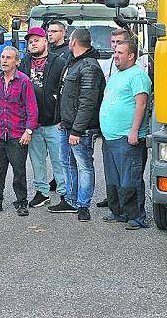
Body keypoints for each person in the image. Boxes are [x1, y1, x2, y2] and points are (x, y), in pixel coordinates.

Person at [47, 28, 105, 222]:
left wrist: (77, 130)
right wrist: (62, 121)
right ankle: (70, 200)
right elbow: (65, 95)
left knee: (84, 166)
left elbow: (87, 102)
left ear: (73, 42)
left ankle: (83, 205)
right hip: (67, 126)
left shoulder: (89, 66)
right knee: (67, 163)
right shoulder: (74, 63)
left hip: (80, 129)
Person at [99, 39, 152, 229]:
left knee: (130, 178)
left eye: (120, 52)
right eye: (115, 52)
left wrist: (135, 131)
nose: (116, 55)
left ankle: (136, 217)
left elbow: (142, 105)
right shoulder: (116, 75)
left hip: (126, 137)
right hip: (110, 137)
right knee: (113, 178)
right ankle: (118, 212)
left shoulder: (138, 75)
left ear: (131, 56)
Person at [0, 46, 38, 216]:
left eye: (8, 57)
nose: (4, 60)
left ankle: (21, 203)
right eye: (2, 57)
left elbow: (32, 108)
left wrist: (28, 131)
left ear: (16, 61)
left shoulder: (24, 81)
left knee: (19, 171)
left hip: (17, 134)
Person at [18, 26, 67, 208]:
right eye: (30, 42)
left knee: (59, 160)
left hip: (54, 122)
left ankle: (64, 194)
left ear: (45, 41)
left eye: (36, 40)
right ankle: (42, 192)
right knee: (37, 161)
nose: (33, 44)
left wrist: (63, 117)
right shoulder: (23, 64)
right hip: (33, 124)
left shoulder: (58, 62)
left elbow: (65, 92)